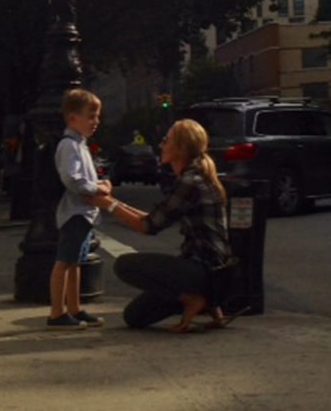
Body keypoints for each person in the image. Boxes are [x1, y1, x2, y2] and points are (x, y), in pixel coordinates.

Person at [97, 118, 236, 333]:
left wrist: (106, 204)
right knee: (134, 316)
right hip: (216, 274)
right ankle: (205, 301)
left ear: (180, 148)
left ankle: (193, 298)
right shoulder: (199, 175)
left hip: (202, 271)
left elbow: (149, 226)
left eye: (166, 140)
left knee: (125, 265)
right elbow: (157, 217)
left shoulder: (189, 181)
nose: (161, 145)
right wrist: (116, 202)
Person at [47, 87, 111, 329]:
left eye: (97, 116)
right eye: (91, 116)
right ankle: (56, 312)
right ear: (73, 118)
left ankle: (74, 308)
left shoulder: (79, 144)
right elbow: (72, 179)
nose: (96, 121)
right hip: (74, 212)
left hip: (83, 213)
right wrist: (97, 189)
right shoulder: (69, 146)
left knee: (75, 262)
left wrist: (99, 184)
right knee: (64, 261)